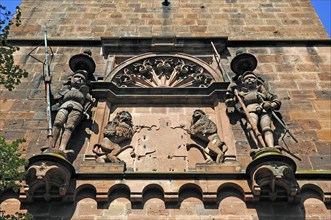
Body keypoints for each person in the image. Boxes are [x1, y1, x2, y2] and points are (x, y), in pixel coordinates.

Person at [225, 71, 281, 149]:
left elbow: (275, 100)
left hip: (264, 109)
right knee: (251, 127)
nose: (250, 80)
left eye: (252, 78)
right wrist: (230, 89)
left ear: (256, 80)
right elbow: (230, 102)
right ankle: (259, 147)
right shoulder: (241, 94)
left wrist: (271, 105)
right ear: (243, 82)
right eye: (247, 79)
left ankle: (271, 147)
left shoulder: (264, 93)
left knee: (266, 128)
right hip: (250, 110)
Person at [49, 70, 95, 152]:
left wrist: (86, 111)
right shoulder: (66, 91)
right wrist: (48, 84)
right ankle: (51, 145)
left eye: (82, 78)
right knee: (57, 123)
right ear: (72, 79)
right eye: (77, 77)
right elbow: (53, 99)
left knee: (70, 127)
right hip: (64, 105)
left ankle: (62, 147)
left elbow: (89, 102)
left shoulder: (85, 93)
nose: (79, 79)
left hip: (77, 108)